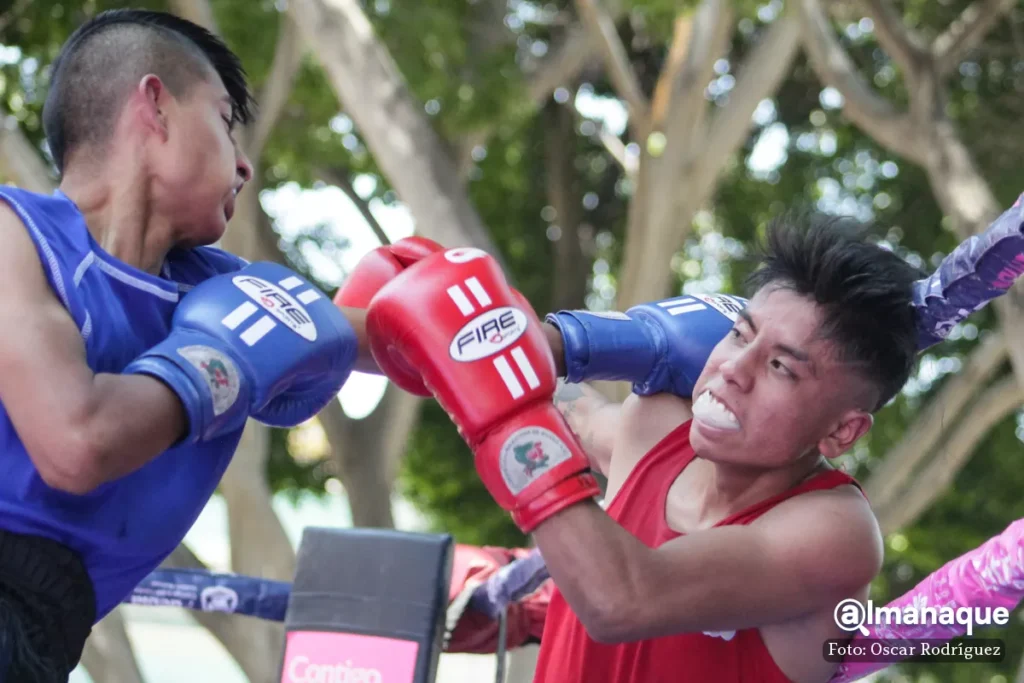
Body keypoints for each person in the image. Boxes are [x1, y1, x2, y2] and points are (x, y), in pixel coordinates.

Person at [361, 217, 924, 683]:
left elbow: (621, 599)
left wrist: (502, 408)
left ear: (842, 433)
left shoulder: (833, 532)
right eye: (740, 335)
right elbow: (539, 390)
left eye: (780, 366)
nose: (733, 370)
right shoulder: (655, 428)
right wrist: (378, 330)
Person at [0, 10, 379, 681]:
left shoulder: (233, 295)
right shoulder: (14, 236)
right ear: (154, 105)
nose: (244, 162)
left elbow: (425, 335)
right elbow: (76, 441)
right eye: (226, 117)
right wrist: (222, 359)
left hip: (45, 635)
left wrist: (601, 341)